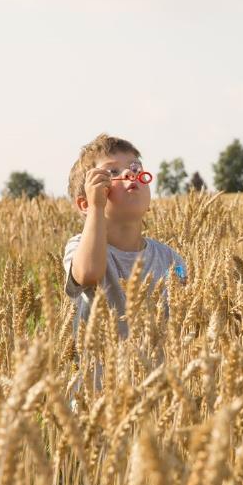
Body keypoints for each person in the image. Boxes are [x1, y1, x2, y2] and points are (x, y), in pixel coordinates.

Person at [63, 134, 186, 341]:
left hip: (157, 372)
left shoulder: (171, 259)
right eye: (112, 172)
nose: (130, 173)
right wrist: (97, 207)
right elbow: (89, 273)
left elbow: (186, 318)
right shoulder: (80, 246)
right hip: (100, 372)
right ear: (85, 204)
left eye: (136, 168)